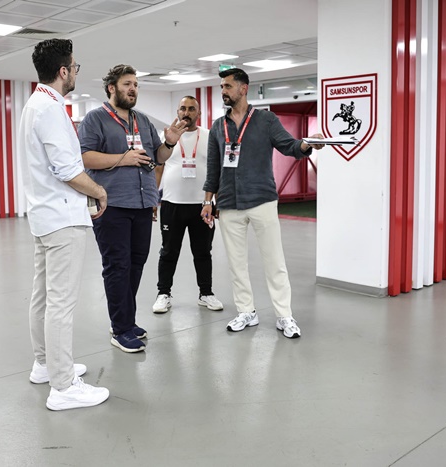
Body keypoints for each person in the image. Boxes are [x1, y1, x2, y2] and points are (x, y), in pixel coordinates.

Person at [18, 39, 109, 410]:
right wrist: (99, 192)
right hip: (62, 220)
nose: (76, 72)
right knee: (61, 304)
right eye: (75, 67)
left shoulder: (34, 105)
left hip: (44, 218)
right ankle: (64, 386)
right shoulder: (50, 109)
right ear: (63, 71)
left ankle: (45, 364)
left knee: (43, 297)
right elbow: (67, 170)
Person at [201, 68, 325, 339]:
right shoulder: (218, 126)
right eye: (221, 87)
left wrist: (307, 145)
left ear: (243, 88)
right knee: (236, 264)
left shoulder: (266, 120)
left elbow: (289, 146)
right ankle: (246, 311)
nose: (223, 91)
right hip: (228, 202)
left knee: (274, 261)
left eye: (228, 86)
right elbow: (213, 167)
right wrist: (208, 201)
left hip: (262, 200)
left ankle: (284, 315)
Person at [79, 64, 187, 353]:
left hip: (142, 203)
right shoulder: (95, 119)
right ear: (111, 88)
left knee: (136, 263)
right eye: (127, 84)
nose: (133, 89)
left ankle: (125, 320)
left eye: (136, 85)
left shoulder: (142, 120)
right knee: (117, 265)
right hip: (111, 204)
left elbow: (158, 157)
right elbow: (85, 157)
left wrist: (169, 143)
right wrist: (123, 158)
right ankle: (121, 329)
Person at [152, 96, 224, 314]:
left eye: (192, 109)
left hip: (202, 205)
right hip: (171, 203)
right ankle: (163, 293)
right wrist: (153, 198)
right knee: (168, 251)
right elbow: (158, 167)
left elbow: (216, 171)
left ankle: (206, 293)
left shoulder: (209, 136)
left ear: (198, 113)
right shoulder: (166, 137)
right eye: (183, 108)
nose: (186, 112)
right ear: (177, 111)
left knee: (203, 252)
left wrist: (217, 201)